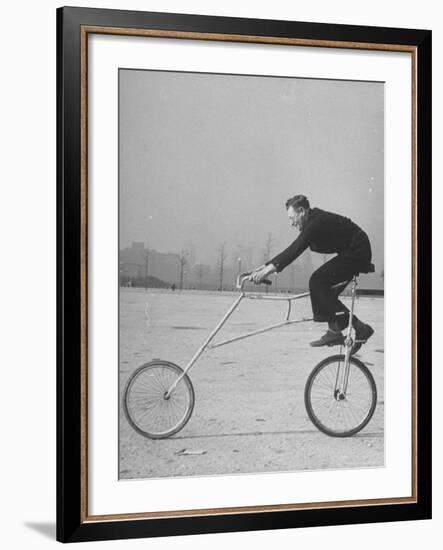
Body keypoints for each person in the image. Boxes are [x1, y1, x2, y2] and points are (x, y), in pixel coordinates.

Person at [251, 195, 375, 347]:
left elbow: (294, 249)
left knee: (317, 281)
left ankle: (336, 332)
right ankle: (359, 328)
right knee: (326, 293)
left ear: (302, 211)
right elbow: (293, 249)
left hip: (358, 250)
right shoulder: (313, 220)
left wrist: (266, 271)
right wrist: (265, 267)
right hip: (353, 249)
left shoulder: (315, 223)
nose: (291, 223)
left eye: (291, 218)